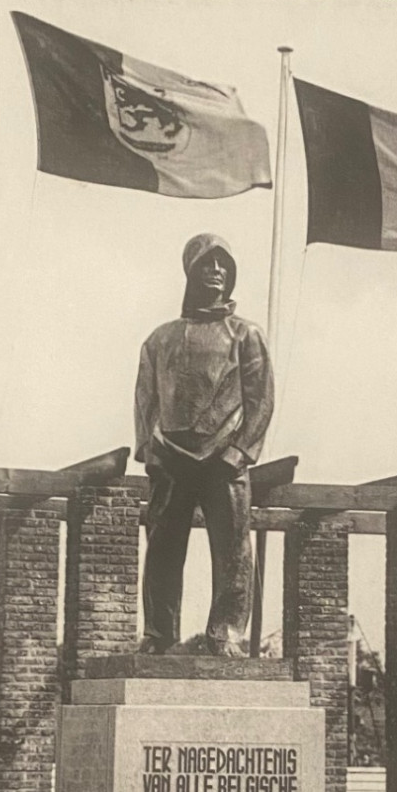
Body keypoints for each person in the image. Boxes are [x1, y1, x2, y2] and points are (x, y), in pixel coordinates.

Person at [134, 233, 274, 656]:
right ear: (191, 272)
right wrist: (149, 449)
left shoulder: (246, 334)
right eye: (206, 264)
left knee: (232, 550)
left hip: (224, 459)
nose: (216, 271)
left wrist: (240, 451)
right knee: (161, 549)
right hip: (172, 458)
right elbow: (145, 399)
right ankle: (158, 634)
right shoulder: (160, 339)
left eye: (223, 265)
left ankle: (227, 632)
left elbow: (261, 400)